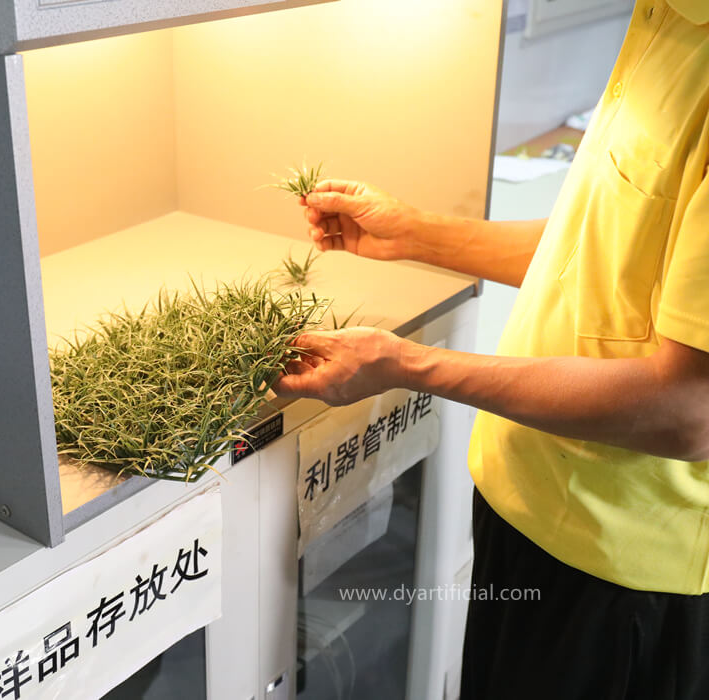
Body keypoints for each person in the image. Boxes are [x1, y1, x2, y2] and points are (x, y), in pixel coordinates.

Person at [273, 2, 709, 698]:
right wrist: (412, 233)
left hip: (620, 572)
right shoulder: (667, 18)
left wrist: (406, 365)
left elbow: (690, 410)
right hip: (527, 509)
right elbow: (599, 247)